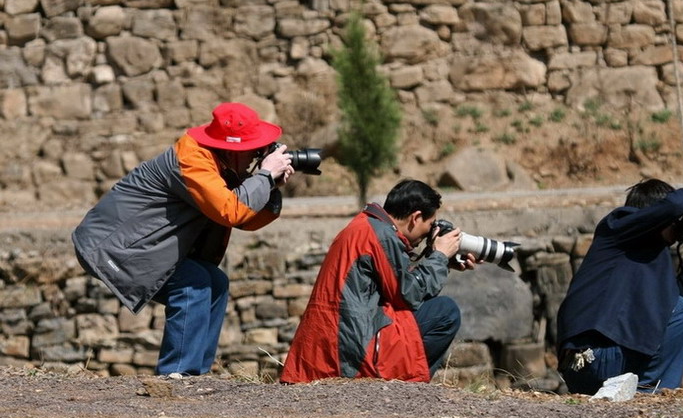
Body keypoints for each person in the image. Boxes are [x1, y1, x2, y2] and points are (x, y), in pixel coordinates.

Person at [72, 102, 295, 377]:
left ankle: (196, 375)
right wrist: (263, 176)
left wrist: (270, 187)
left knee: (215, 281)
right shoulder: (192, 159)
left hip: (140, 245)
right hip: (109, 247)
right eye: (253, 149)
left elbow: (246, 219)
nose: (256, 156)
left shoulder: (220, 165)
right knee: (192, 284)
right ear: (231, 148)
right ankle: (177, 377)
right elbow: (231, 210)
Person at [280, 179, 476, 383]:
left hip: (329, 346)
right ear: (415, 217)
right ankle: (410, 389)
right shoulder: (381, 236)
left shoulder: (366, 226)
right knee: (445, 311)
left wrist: (443, 263)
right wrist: (439, 256)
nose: (428, 233)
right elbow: (408, 296)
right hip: (352, 349)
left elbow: (395, 283)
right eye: (429, 225)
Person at [556, 178, 683, 395]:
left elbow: (676, 313)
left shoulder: (650, 253)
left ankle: (643, 392)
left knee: (681, 309)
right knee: (681, 310)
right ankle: (651, 395)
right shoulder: (617, 224)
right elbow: (672, 205)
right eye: (676, 220)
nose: (679, 224)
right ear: (656, 215)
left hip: (587, 368)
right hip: (594, 359)